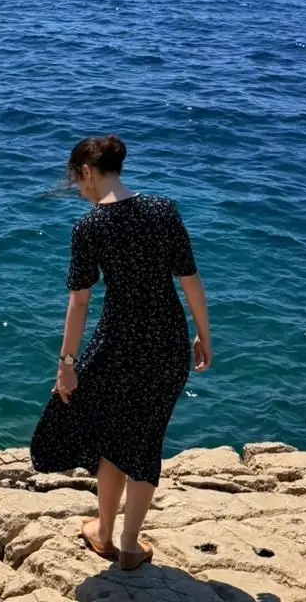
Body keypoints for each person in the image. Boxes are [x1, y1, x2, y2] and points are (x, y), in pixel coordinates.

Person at [30, 134, 212, 571]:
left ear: (88, 172)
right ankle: (128, 543)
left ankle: (105, 533)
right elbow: (189, 279)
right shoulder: (162, 209)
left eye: (77, 180)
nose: (78, 188)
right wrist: (204, 336)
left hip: (118, 343)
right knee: (146, 439)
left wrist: (67, 365)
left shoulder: (89, 227)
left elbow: (79, 302)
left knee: (110, 436)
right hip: (167, 342)